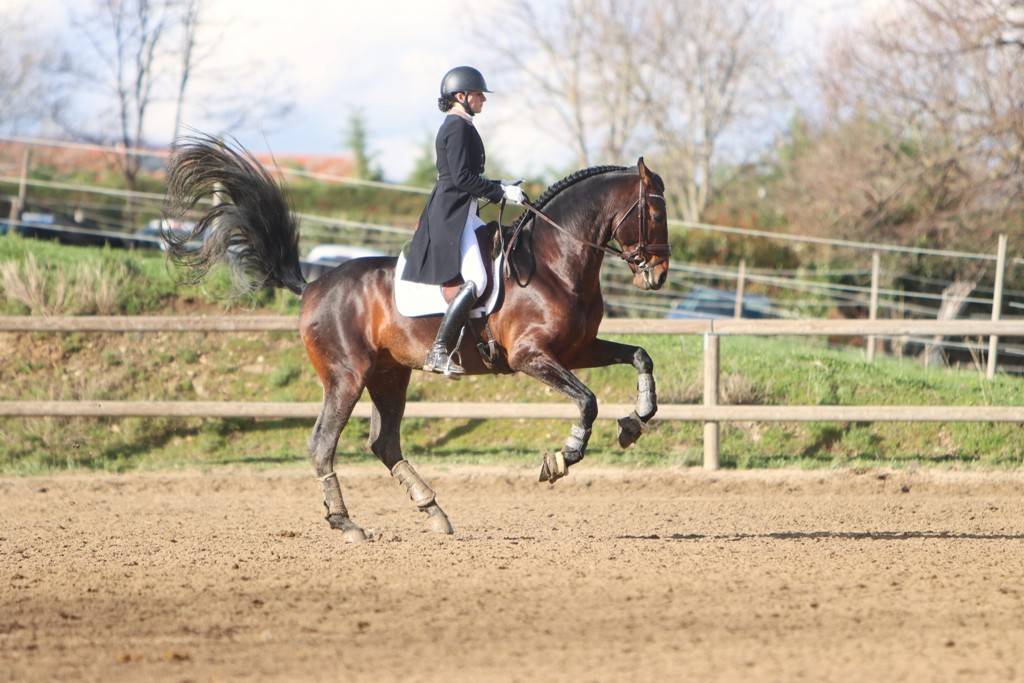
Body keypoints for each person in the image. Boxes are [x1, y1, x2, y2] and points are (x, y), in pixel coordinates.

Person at [402, 65, 525, 377]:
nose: (483, 98)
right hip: (450, 216)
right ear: (461, 96)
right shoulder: (456, 127)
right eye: (478, 93)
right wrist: (500, 192)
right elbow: (460, 177)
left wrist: (501, 184)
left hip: (464, 211)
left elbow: (468, 177)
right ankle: (439, 350)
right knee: (478, 279)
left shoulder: (463, 124)